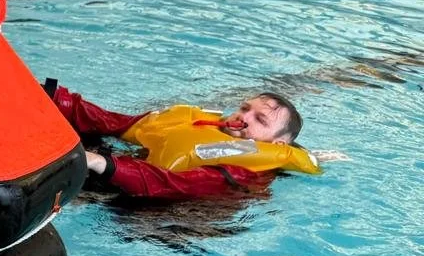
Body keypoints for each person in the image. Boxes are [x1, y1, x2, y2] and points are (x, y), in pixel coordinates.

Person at [48, 82, 320, 199]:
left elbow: (174, 184)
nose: (245, 117)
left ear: (277, 145)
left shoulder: (245, 172)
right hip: (136, 169)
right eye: (245, 107)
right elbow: (118, 123)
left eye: (261, 121)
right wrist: (58, 99)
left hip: (166, 220)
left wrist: (102, 163)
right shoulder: (196, 125)